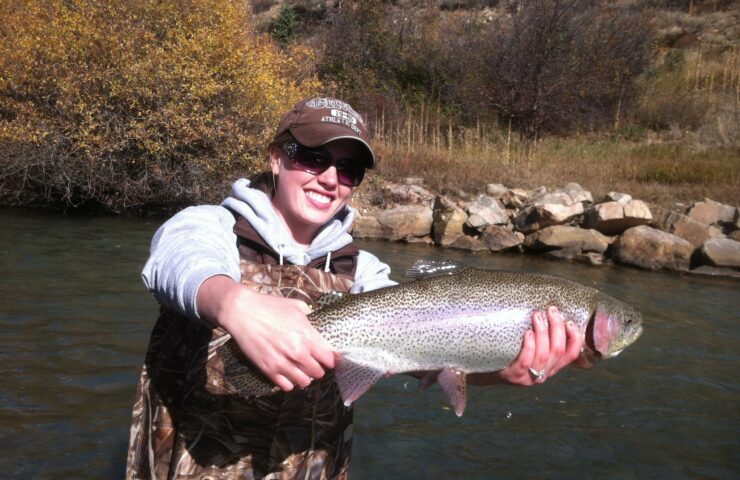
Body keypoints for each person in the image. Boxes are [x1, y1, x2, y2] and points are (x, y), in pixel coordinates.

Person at [126, 97, 583, 479]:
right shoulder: (212, 226)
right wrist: (233, 304)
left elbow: (420, 351)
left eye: (349, 169)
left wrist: (499, 371)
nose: (330, 179)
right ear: (276, 157)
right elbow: (175, 263)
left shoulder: (364, 272)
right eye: (314, 157)